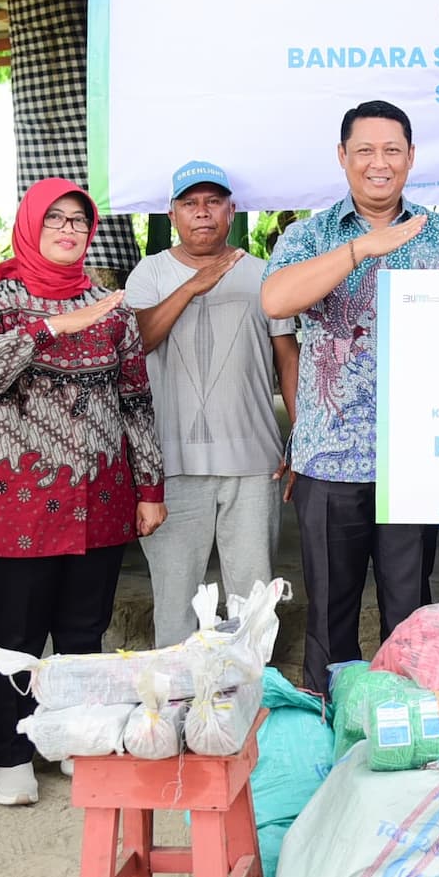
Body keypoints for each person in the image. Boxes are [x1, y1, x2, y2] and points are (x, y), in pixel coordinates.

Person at [0, 177, 166, 807]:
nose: (70, 232)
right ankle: (13, 752)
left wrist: (149, 487)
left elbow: (135, 398)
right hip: (15, 502)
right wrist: (49, 328)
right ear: (30, 226)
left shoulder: (112, 306)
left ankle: (74, 738)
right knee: (17, 633)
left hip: (99, 499)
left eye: (79, 221)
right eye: (57, 221)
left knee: (84, 630)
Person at [262, 100, 439, 695]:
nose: (378, 163)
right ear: (343, 157)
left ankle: (401, 724)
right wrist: (363, 249)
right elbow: (276, 301)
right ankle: (333, 725)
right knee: (329, 610)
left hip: (415, 456)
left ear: (411, 158)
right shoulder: (309, 235)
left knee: (410, 611)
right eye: (365, 151)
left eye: (391, 151)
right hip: (330, 457)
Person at [126, 161, 300, 645]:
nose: (202, 213)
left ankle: (250, 702)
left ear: (232, 209)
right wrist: (192, 286)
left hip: (252, 463)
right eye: (190, 203)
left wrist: (299, 438)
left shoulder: (264, 275)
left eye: (212, 202)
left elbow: (289, 360)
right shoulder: (151, 272)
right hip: (172, 465)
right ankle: (178, 710)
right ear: (172, 213)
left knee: (253, 602)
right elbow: (137, 343)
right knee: (175, 602)